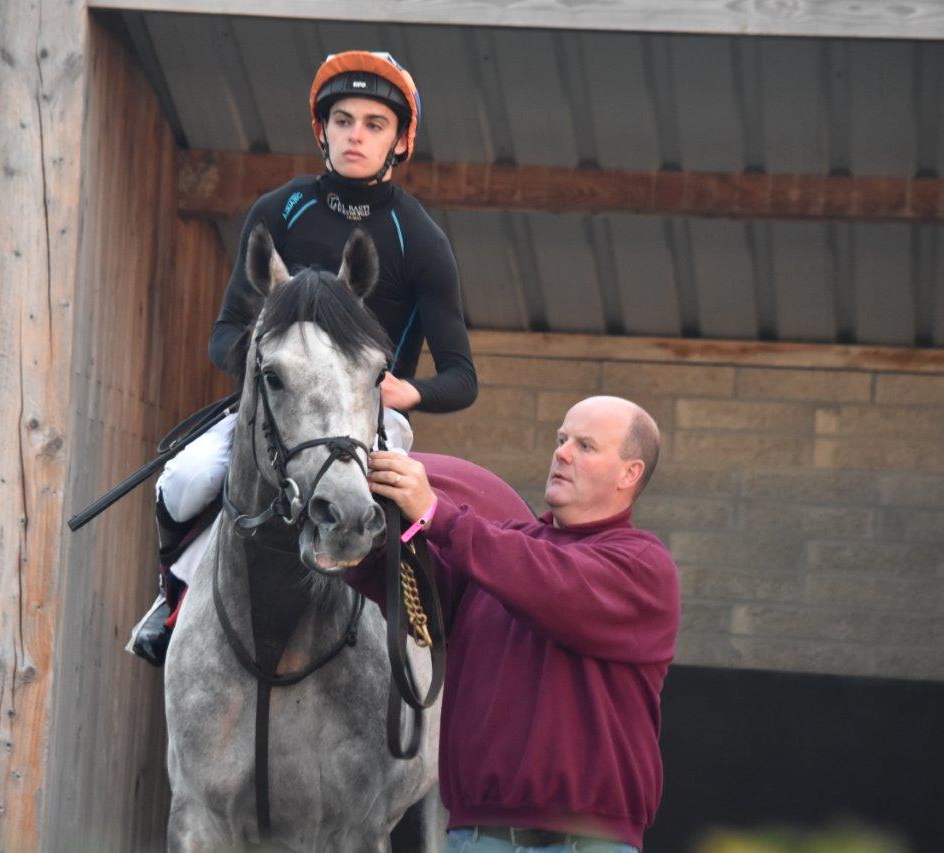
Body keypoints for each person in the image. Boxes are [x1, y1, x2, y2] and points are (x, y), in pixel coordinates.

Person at [129, 50, 478, 665]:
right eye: (344, 120)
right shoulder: (278, 210)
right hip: (277, 403)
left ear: (399, 141)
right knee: (184, 479)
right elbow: (226, 333)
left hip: (368, 416)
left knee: (391, 507)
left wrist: (404, 392)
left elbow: (462, 377)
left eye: (375, 124)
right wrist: (270, 380)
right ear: (323, 130)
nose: (357, 135)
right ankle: (174, 599)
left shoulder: (419, 237)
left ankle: (421, 639)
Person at [355, 396, 680, 852]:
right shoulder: (504, 550)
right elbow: (422, 596)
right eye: (561, 439)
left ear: (630, 473)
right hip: (474, 837)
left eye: (585, 446)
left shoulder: (642, 565)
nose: (562, 453)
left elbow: (549, 584)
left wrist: (435, 512)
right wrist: (357, 538)